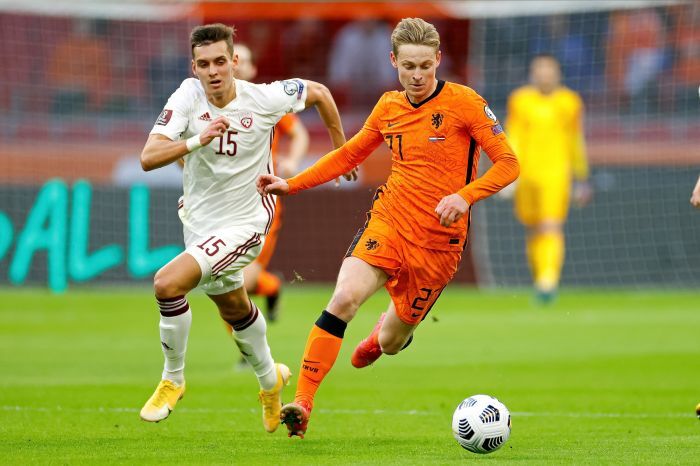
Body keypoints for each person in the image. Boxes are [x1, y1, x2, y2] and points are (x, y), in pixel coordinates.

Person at [257, 17, 519, 438]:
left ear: (438, 59)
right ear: (393, 61)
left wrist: (465, 196)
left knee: (393, 342)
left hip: (439, 244)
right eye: (408, 66)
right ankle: (303, 403)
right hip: (390, 221)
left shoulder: (465, 103)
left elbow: (509, 164)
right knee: (344, 298)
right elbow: (349, 155)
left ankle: (383, 334)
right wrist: (292, 183)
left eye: (425, 66)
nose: (417, 75)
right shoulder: (388, 106)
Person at [138, 23, 350, 433]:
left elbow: (321, 93)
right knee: (235, 308)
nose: (213, 71)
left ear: (234, 62)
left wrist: (342, 152)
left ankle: (172, 379)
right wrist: (196, 141)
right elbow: (149, 156)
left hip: (247, 222)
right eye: (204, 64)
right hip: (200, 223)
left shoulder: (264, 98)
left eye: (220, 61)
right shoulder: (187, 96)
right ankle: (271, 383)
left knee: (167, 284)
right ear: (194, 67)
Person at [505, 54, 591, 304]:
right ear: (533, 74)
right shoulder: (520, 100)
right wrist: (508, 172)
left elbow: (575, 139)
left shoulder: (569, 101)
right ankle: (540, 279)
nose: (544, 75)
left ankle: (548, 281)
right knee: (533, 227)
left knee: (551, 225)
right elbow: (514, 136)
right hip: (526, 173)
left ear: (557, 74)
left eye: (548, 70)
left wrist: (581, 175)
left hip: (556, 173)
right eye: (539, 70)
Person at [233, 43, 310, 322]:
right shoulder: (208, 105)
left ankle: (247, 344)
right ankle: (271, 286)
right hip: (224, 202)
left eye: (242, 60)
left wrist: (292, 161)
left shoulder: (267, 101)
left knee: (239, 284)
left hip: (261, 201)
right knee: (222, 281)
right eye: (231, 59)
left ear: (253, 69)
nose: (236, 65)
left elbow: (300, 134)